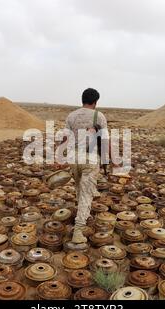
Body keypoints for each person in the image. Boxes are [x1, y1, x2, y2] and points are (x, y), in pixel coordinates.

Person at [62, 88, 112, 244]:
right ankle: (78, 230)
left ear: (82, 100)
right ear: (95, 101)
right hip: (90, 159)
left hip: (73, 157)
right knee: (87, 193)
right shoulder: (99, 116)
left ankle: (83, 213)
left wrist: (59, 157)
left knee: (79, 188)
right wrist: (111, 158)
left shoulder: (71, 116)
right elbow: (104, 141)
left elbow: (65, 138)